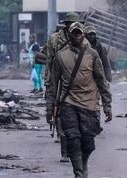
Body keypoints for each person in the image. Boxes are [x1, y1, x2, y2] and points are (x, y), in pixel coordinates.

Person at [47, 22, 112, 178]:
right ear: (69, 35)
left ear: (83, 35)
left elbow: (101, 80)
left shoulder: (93, 55)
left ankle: (84, 164)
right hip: (68, 102)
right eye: (73, 33)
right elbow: (54, 84)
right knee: (72, 138)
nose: (76, 35)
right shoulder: (60, 57)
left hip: (89, 104)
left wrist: (107, 105)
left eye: (79, 33)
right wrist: (51, 107)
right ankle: (77, 173)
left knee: (88, 142)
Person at [43, 12, 89, 163]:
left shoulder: (84, 41)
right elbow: (49, 61)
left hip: (78, 83)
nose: (74, 27)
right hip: (59, 81)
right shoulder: (54, 39)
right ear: (66, 25)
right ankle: (64, 151)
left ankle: (76, 150)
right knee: (60, 116)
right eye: (71, 24)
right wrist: (50, 82)